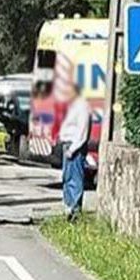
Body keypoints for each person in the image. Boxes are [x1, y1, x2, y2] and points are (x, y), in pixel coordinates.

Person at [58, 81, 90, 220]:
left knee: (75, 178)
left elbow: (82, 132)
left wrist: (73, 148)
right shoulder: (72, 106)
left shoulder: (82, 107)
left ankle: (75, 210)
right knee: (67, 177)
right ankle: (68, 206)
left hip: (74, 147)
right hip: (67, 144)